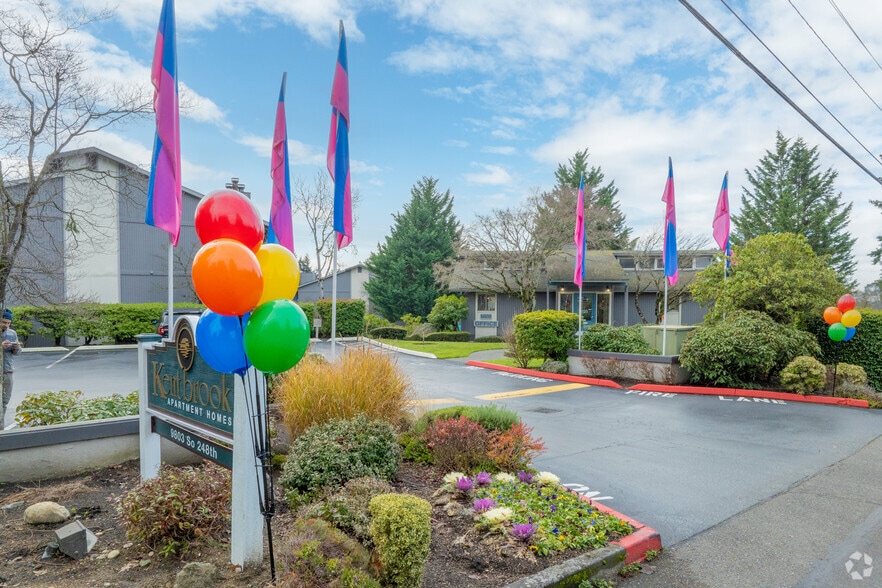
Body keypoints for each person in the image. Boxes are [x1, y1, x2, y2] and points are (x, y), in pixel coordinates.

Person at [1, 308, 21, 428]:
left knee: (4, 401)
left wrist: (16, 348)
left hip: (8, 371)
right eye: (4, 322)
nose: (6, 325)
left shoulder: (12, 333)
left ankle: (1, 427)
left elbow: (18, 353)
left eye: (8, 323)